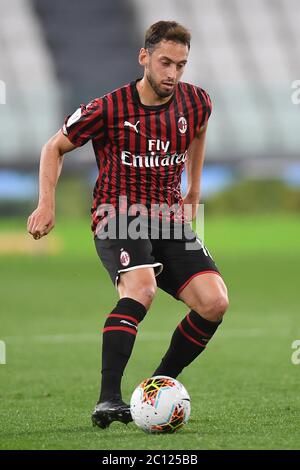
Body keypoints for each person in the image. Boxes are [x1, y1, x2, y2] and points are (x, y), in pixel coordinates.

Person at [27, 20, 229, 429]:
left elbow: (198, 131)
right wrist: (46, 203)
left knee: (214, 302)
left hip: (168, 218)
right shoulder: (108, 108)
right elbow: (54, 147)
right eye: (165, 63)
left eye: (181, 65)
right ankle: (107, 399)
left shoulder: (196, 101)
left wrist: (193, 190)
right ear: (145, 58)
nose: (172, 74)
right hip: (117, 214)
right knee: (142, 289)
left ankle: (160, 384)